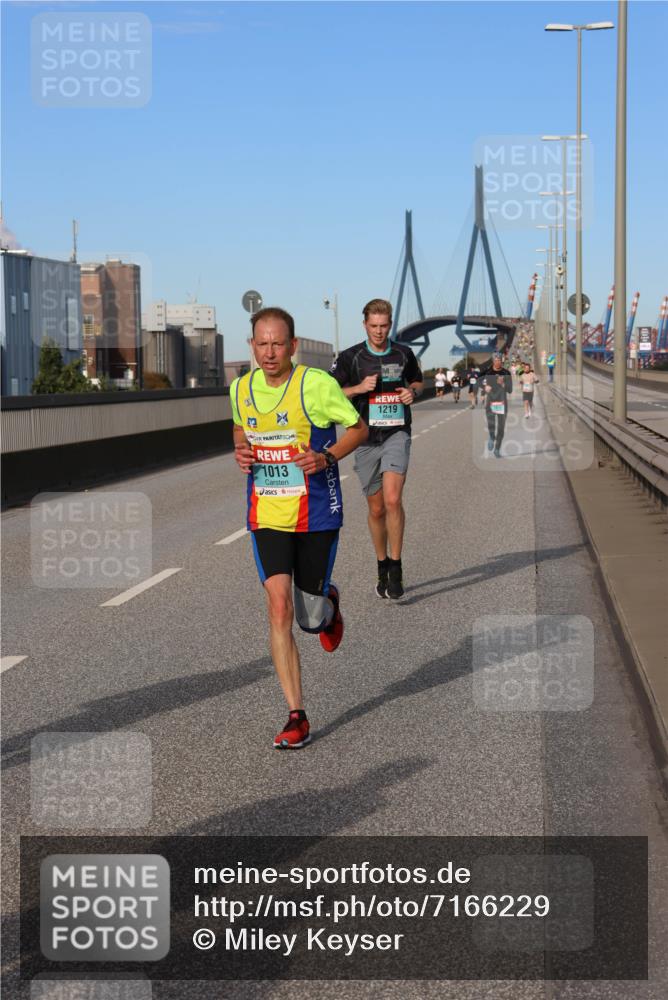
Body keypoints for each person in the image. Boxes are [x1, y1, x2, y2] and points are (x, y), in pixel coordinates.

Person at [231, 307, 368, 749]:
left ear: (292, 345)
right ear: (252, 346)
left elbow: (358, 429)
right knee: (278, 609)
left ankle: (328, 601)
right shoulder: (240, 389)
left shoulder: (316, 384)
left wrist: (326, 457)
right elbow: (240, 429)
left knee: (309, 621)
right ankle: (297, 715)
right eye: (262, 344)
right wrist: (242, 452)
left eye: (278, 344)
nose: (269, 352)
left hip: (316, 513)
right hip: (267, 512)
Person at [330, 298, 423, 600]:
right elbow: (330, 394)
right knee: (377, 508)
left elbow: (419, 382)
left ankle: (396, 567)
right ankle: (381, 563)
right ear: (365, 325)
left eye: (384, 326)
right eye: (374, 326)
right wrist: (357, 389)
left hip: (397, 433)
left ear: (390, 324)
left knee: (393, 499)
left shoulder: (404, 353)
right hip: (365, 438)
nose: (379, 331)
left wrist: (411, 392)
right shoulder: (351, 357)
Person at [481, 352, 513, 458]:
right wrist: (484, 390)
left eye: (499, 360)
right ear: (493, 361)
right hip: (490, 402)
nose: (498, 362)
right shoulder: (488, 372)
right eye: (496, 360)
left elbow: (510, 390)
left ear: (501, 361)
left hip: (502, 403)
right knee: (491, 425)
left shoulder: (506, 373)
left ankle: (497, 449)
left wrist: (502, 384)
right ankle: (491, 436)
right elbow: (483, 384)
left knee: (501, 428)